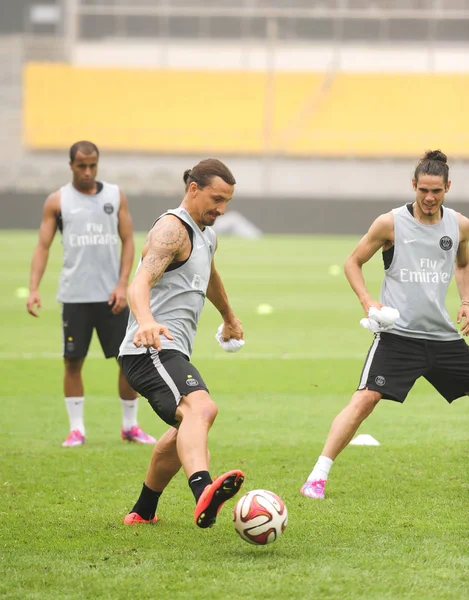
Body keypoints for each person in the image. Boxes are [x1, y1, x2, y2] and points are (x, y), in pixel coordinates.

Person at [301, 149, 469, 499]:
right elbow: (352, 262)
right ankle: (317, 477)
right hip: (398, 336)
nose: (428, 197)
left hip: (442, 336)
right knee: (364, 400)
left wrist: (466, 300)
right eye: (423, 189)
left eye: (436, 191)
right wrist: (368, 301)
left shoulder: (460, 225)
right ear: (413, 184)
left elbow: (463, 264)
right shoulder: (390, 223)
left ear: (448, 187)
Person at [118, 158, 245, 528]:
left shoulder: (207, 234)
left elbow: (209, 277)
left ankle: (142, 511)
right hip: (149, 349)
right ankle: (203, 490)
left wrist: (229, 317)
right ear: (193, 189)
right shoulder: (171, 230)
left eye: (227, 203)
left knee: (180, 431)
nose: (221, 210)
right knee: (201, 409)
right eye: (216, 199)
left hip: (170, 350)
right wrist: (146, 322)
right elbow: (139, 282)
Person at [26, 140, 156, 447]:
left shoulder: (115, 195)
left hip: (113, 297)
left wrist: (123, 283)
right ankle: (77, 430)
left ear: (97, 164)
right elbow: (42, 246)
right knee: (73, 362)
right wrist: (33, 288)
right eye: (81, 165)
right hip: (74, 296)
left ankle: (130, 427)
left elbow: (128, 241)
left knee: (127, 359)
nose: (87, 171)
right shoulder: (57, 201)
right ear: (70, 165)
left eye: (92, 165)